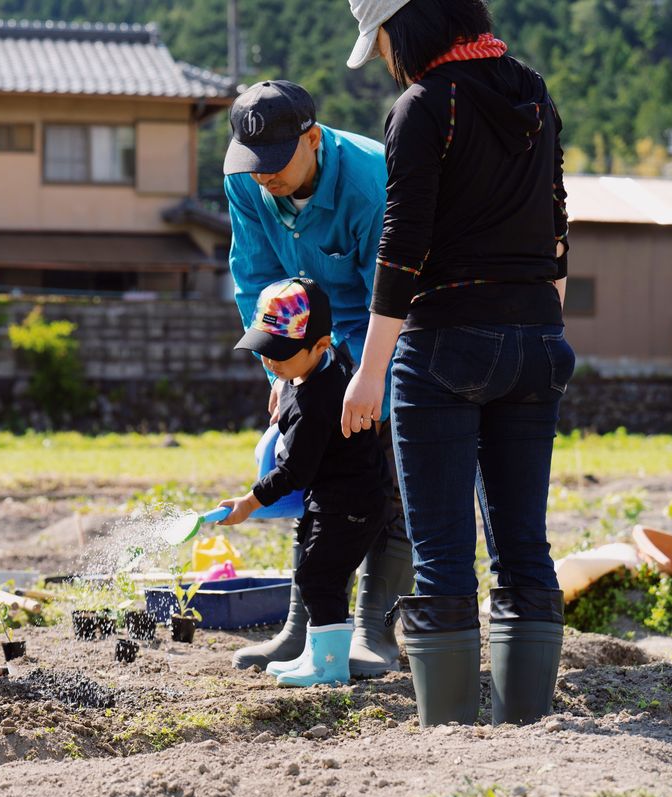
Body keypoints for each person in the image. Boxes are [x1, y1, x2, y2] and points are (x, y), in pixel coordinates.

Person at [341, 0, 574, 726]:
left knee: (442, 557)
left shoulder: (423, 105)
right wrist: (544, 329)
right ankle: (524, 723)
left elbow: (402, 247)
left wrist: (370, 371)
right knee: (523, 546)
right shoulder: (532, 91)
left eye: (382, 39)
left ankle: (449, 734)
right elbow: (557, 224)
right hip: (539, 341)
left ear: (407, 25)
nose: (384, 56)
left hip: (446, 343)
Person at [223, 79, 412, 678]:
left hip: (387, 332)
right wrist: (283, 371)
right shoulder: (246, 180)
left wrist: (371, 384)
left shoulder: (371, 183)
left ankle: (374, 631)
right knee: (315, 480)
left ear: (312, 139)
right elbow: (255, 276)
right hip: (309, 344)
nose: (264, 175)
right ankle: (301, 631)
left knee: (384, 479)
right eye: (253, 162)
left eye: (276, 161)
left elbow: (393, 294)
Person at [217, 278, 386, 686]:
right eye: (264, 350)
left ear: (320, 345)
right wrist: (282, 379)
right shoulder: (312, 370)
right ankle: (314, 655)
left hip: (350, 503)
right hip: (332, 497)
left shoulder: (316, 403)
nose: (270, 361)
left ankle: (329, 666)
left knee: (319, 577)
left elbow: (294, 471)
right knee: (313, 572)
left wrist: (249, 502)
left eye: (281, 353)